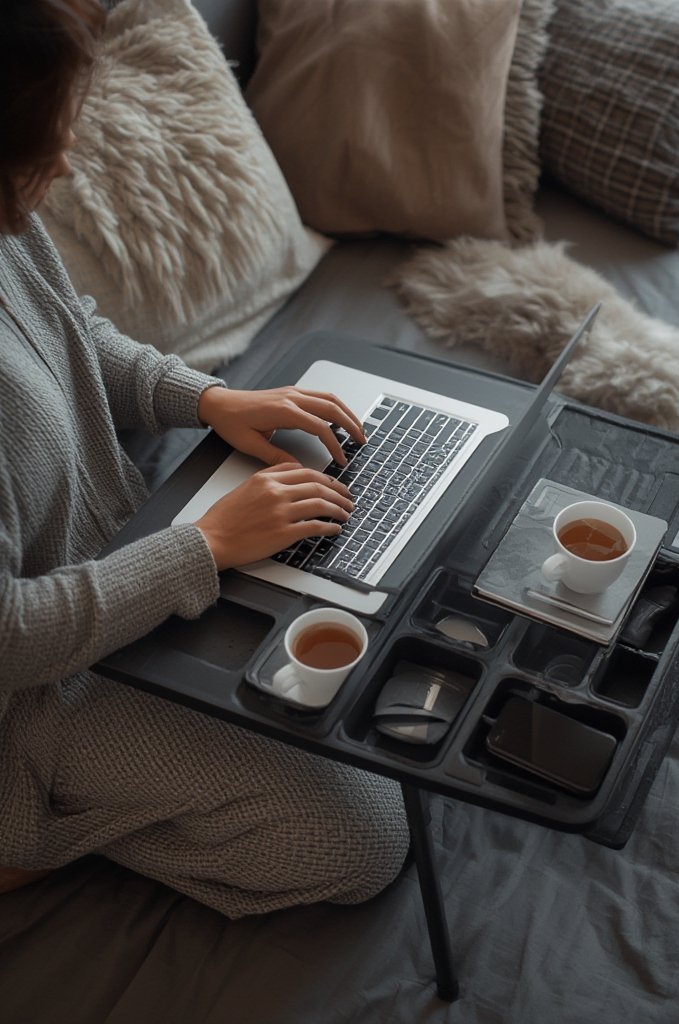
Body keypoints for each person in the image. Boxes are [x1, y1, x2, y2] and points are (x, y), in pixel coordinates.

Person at [0, 0, 409, 914]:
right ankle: (27, 834)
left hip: (125, 558)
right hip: (32, 694)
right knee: (361, 837)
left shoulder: (8, 222)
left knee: (383, 647)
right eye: (41, 149)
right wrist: (206, 547)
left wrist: (210, 400)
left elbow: (78, 335)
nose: (62, 164)